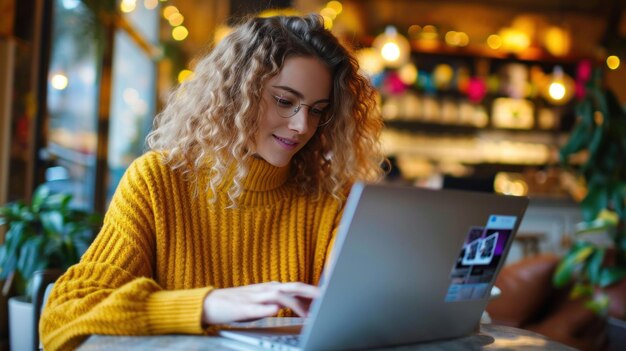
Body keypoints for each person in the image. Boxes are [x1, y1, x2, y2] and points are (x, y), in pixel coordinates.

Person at [40, 14, 384, 350]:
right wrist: (208, 305)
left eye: (317, 109)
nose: (302, 126)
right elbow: (64, 314)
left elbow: (370, 316)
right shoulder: (158, 181)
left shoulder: (330, 201)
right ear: (237, 93)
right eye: (285, 101)